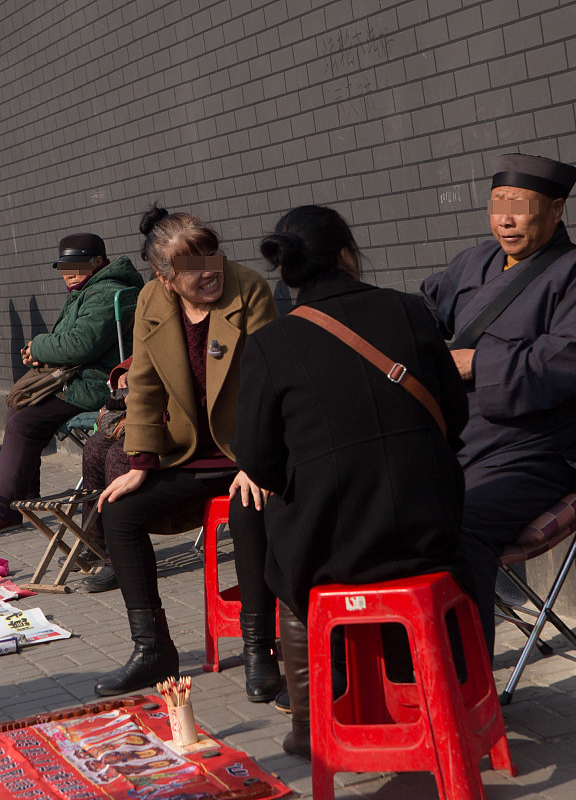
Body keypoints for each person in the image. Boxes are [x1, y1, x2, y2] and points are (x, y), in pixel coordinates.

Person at [234, 204, 470, 758]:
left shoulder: (271, 344)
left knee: (281, 559)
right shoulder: (413, 312)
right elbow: (454, 418)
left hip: (335, 549)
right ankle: (427, 692)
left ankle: (314, 722)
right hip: (433, 529)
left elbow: (260, 462)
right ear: (346, 255)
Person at [419, 153, 576, 654]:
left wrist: (477, 364)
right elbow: (421, 315)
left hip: (534, 454)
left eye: (520, 208)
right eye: (496, 207)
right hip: (457, 443)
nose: (504, 220)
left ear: (556, 210)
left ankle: (466, 685)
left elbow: (571, 362)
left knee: (457, 527)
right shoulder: (473, 262)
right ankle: (403, 666)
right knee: (386, 510)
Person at [92, 207, 279, 701]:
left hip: (244, 453)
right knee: (120, 511)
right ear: (166, 278)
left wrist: (258, 463)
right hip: (188, 455)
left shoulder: (250, 289)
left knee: (249, 510)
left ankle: (261, 648)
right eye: (192, 267)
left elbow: (270, 384)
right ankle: (153, 651)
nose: (209, 272)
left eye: (212, 256)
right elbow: (147, 386)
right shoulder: (152, 299)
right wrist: (140, 464)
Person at [0, 233, 144, 535]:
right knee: (21, 410)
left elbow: (79, 345)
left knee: (25, 418)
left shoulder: (104, 292)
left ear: (99, 262)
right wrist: (42, 353)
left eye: (78, 265)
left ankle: (2, 509)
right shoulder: (89, 289)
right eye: (65, 267)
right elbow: (74, 343)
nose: (70, 273)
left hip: (98, 384)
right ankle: (23, 497)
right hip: (85, 377)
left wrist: (38, 347)